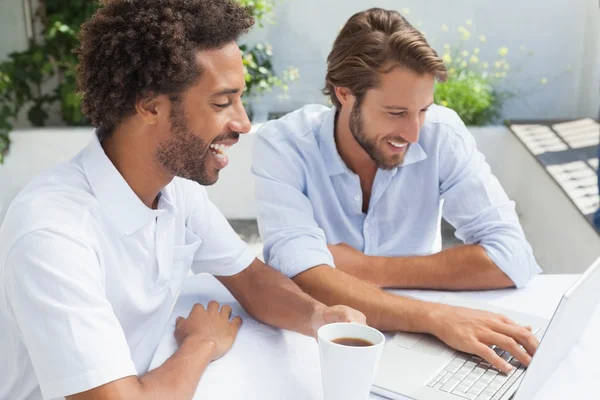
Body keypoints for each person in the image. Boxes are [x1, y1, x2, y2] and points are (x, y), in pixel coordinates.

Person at [0, 1, 365, 400]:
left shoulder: (175, 190)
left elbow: (253, 280)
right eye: (222, 103)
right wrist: (201, 343)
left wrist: (320, 317)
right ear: (150, 106)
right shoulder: (52, 236)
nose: (243, 123)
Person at [252, 7, 541, 374]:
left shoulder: (442, 134)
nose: (414, 133)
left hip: (429, 347)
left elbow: (513, 257)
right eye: (395, 113)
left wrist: (369, 269)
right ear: (344, 94)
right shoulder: (284, 145)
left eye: (422, 110)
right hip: (319, 348)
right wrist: (438, 317)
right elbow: (299, 274)